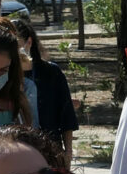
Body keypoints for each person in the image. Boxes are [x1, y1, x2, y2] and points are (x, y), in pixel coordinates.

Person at [10, 16, 77, 158]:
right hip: (16, 152)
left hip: (50, 150)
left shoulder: (51, 72)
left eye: (16, 45)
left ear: (29, 42)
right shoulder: (2, 76)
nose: (12, 52)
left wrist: (68, 152)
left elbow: (66, 115)